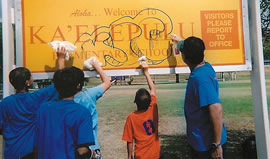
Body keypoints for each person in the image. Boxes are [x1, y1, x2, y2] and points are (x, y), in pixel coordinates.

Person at [0, 47, 67, 159]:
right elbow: (60, 84)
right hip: (31, 152)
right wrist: (61, 59)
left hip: (11, 152)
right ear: (27, 82)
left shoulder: (5, 103)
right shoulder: (36, 98)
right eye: (31, 76)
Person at [172, 35, 227, 159]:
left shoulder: (200, 79)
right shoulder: (205, 66)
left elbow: (216, 108)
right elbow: (193, 53)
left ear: (185, 57)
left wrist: (216, 145)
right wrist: (180, 41)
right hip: (202, 141)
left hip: (206, 145)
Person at [35, 66, 95, 159]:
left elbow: (36, 142)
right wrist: (92, 154)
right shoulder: (82, 112)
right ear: (78, 85)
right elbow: (82, 151)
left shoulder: (43, 109)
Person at [122, 60, 160, 159]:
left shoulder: (131, 117)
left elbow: (129, 140)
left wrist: (129, 156)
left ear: (135, 101)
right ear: (149, 102)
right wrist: (146, 72)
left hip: (140, 156)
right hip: (155, 154)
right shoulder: (153, 108)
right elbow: (153, 89)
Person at [74, 58, 111, 159]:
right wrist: (97, 66)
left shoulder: (63, 99)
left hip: (72, 148)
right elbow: (107, 82)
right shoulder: (89, 95)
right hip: (92, 147)